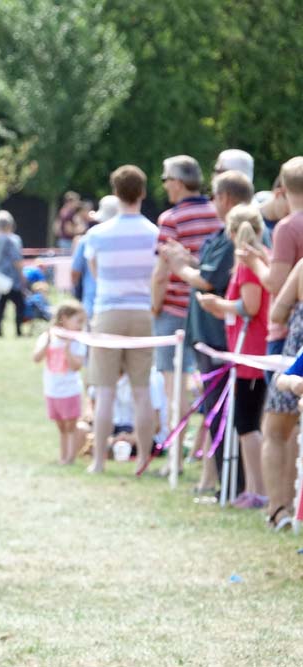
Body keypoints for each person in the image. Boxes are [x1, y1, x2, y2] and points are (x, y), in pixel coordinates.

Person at [157, 170, 253, 484]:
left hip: (218, 335)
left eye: (215, 195)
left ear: (225, 198)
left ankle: (230, 482)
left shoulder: (234, 237)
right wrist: (188, 261)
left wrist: (179, 267)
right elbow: (207, 269)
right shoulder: (222, 234)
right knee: (213, 411)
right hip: (206, 334)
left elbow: (209, 280)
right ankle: (220, 480)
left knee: (222, 412)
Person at [239, 156, 303, 530]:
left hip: (289, 339)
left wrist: (256, 262)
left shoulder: (287, 228)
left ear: (282, 188)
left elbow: (277, 286)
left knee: (277, 427)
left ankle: (278, 508)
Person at [84, 165, 158, 473]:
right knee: (141, 391)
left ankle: (99, 461)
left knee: (105, 390)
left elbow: (95, 272)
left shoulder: (97, 234)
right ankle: (142, 459)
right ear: (142, 192)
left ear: (115, 193)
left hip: (108, 311)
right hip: (142, 311)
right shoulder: (154, 233)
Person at [152, 155, 224, 474]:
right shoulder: (217, 213)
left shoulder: (171, 218)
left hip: (174, 310)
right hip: (206, 310)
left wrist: (155, 306)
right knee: (210, 385)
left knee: (174, 388)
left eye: (166, 180)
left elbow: (161, 272)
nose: (165, 186)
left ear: (178, 183)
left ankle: (175, 459)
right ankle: (207, 457)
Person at [196, 203, 269, 509]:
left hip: (250, 350)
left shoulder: (249, 262)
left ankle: (257, 490)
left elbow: (250, 306)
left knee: (247, 423)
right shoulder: (256, 258)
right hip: (246, 348)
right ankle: (252, 489)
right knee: (246, 422)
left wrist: (218, 305)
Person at [33, 300, 86, 464]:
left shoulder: (78, 341)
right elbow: (36, 358)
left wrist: (68, 349)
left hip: (70, 390)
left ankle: (70, 457)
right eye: (78, 321)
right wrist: (47, 343)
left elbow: (76, 366)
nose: (80, 325)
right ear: (64, 318)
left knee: (71, 425)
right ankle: (63, 456)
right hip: (52, 390)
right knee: (61, 426)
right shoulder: (48, 337)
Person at [72, 195, 120, 320]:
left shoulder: (88, 238)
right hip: (123, 305)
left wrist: (76, 294)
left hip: (93, 303)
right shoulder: (130, 240)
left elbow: (75, 272)